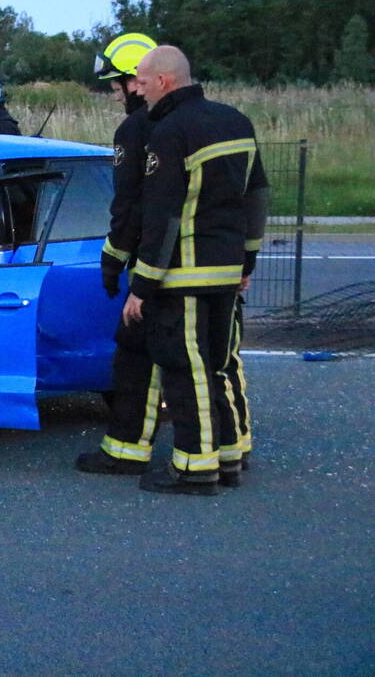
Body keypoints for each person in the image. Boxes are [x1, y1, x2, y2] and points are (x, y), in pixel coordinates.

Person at [123, 46, 268, 495]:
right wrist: (248, 260)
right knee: (218, 365)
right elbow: (256, 196)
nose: (137, 90)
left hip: (182, 275)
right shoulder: (235, 121)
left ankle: (193, 469)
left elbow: (161, 216)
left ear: (165, 81)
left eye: (142, 82)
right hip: (226, 271)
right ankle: (227, 458)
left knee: (185, 372)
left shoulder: (169, 131)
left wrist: (141, 286)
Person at [75, 33, 163, 477]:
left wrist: (113, 261)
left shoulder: (137, 129)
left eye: (116, 85)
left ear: (136, 80)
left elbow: (128, 208)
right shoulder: (195, 123)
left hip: (154, 266)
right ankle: (225, 451)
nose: (117, 95)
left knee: (134, 356)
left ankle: (126, 449)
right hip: (204, 266)